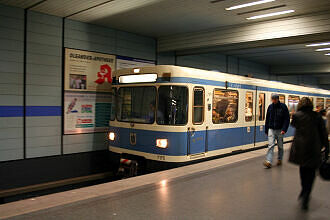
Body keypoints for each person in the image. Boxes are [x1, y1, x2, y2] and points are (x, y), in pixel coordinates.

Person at [288, 97, 329, 210]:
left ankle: (303, 190)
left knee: (303, 170)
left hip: (301, 149)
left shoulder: (297, 116)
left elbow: (294, 125)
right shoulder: (317, 117)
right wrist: (327, 147)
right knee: (311, 173)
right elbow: (323, 133)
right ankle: (306, 194)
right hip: (314, 149)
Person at [263, 94, 290, 168]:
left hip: (280, 129)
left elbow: (286, 119)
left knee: (280, 146)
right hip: (271, 129)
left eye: (275, 99)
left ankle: (279, 159)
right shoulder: (270, 107)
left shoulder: (283, 107)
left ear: (278, 99)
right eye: (273, 99)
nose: (274, 101)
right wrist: (266, 129)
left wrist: (284, 129)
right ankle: (269, 161)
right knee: (270, 145)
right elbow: (267, 119)